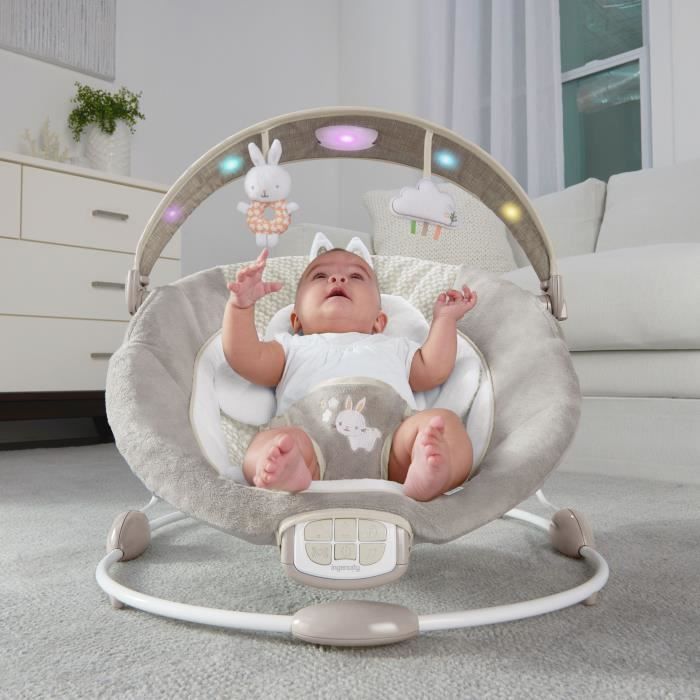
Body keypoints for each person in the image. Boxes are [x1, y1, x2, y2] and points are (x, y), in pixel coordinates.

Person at [222, 245, 478, 501]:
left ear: (379, 322)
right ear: (296, 320)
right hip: (310, 443)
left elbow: (433, 370)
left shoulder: (394, 347)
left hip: (390, 447)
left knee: (443, 423)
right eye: (320, 276)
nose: (338, 278)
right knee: (271, 443)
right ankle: (288, 473)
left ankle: (429, 472)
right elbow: (246, 358)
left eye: (356, 276)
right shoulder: (292, 347)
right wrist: (240, 308)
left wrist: (445, 320)